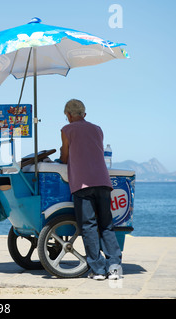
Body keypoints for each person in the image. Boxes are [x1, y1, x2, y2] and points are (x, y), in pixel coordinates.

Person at [59, 99, 121, 280]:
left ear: (69, 115)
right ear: (84, 114)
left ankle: (99, 270)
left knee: (89, 226)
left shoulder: (67, 130)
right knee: (106, 225)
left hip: (82, 184)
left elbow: (64, 157)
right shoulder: (97, 129)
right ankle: (114, 268)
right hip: (103, 181)